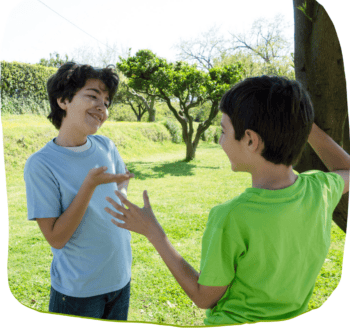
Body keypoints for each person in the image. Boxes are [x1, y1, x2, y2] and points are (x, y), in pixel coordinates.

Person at [104, 75, 349, 325]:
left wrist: (153, 231)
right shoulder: (320, 191)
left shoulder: (231, 217)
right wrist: (304, 126)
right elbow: (347, 169)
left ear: (251, 140)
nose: (220, 141)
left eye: (223, 131)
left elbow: (204, 297)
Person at [24, 62, 135, 320]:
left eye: (106, 102)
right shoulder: (41, 164)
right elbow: (56, 238)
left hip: (120, 279)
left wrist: (122, 198)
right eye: (93, 96)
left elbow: (122, 180)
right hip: (78, 292)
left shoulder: (106, 145)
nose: (102, 107)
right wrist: (88, 186)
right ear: (63, 100)